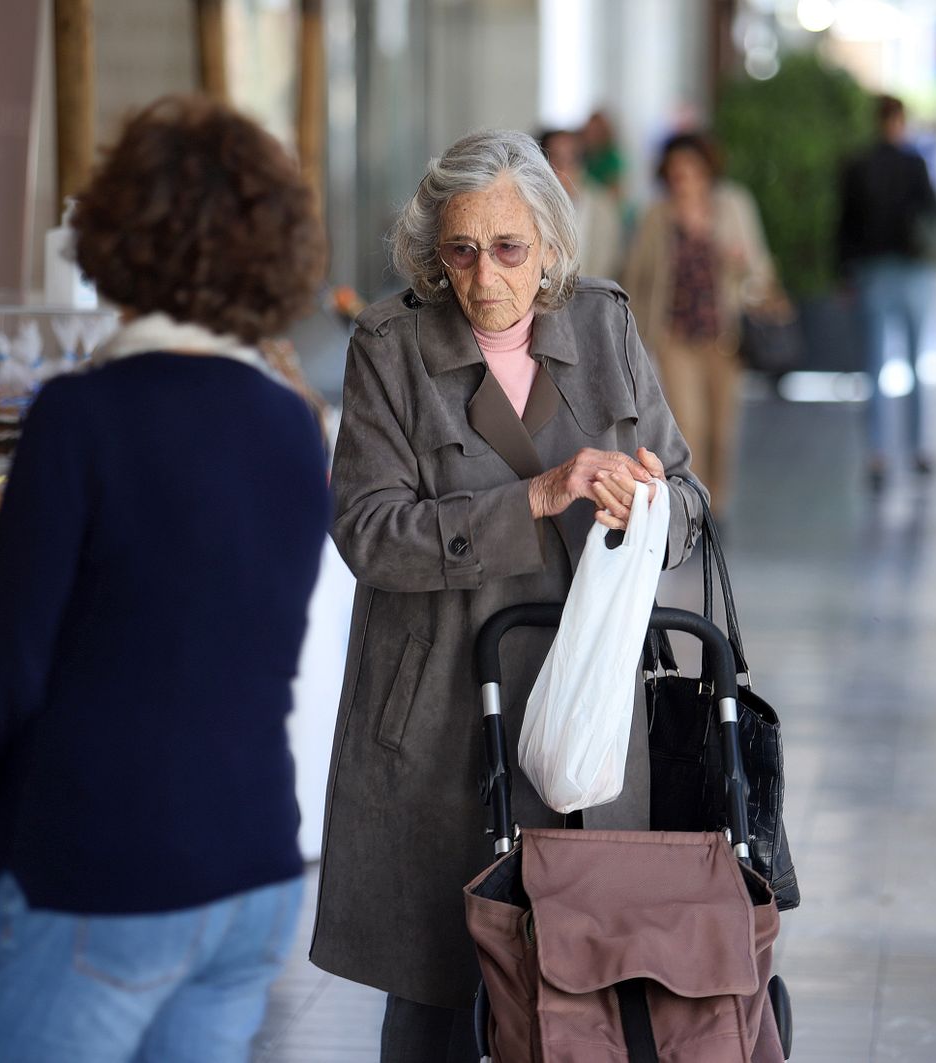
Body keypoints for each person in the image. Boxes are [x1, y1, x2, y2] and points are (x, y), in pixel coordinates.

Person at [0, 95, 331, 1062]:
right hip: (251, 870)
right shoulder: (291, 423)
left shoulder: (84, 416)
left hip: (102, 864)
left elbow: (4, 657)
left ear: (121, 233)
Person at [309, 128, 705, 1062]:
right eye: (461, 249)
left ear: (551, 246)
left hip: (590, 709)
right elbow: (367, 532)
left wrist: (649, 509)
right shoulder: (390, 347)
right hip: (447, 711)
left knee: (590, 988)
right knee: (441, 995)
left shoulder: (605, 326)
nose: (484, 275)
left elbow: (690, 504)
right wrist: (534, 496)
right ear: (434, 251)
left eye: (509, 248)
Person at [622, 131, 776, 510]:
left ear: (707, 170)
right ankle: (696, 509)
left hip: (726, 337)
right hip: (675, 337)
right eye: (676, 172)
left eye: (691, 170)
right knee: (689, 426)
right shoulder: (658, 216)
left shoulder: (732, 206)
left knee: (723, 430)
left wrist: (738, 261)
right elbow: (635, 272)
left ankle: (718, 505)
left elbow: (759, 267)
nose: (684, 179)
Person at [837, 94, 936, 488]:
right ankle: (918, 449)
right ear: (900, 120)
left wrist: (845, 275)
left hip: (873, 272)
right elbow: (935, 214)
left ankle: (878, 454)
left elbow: (845, 224)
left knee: (876, 366)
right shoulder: (914, 163)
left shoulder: (859, 165)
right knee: (916, 364)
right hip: (912, 271)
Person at [539, 127, 625, 281]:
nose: (564, 168)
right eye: (556, 158)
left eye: (572, 158)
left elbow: (610, 264)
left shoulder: (603, 207)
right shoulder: (531, 205)